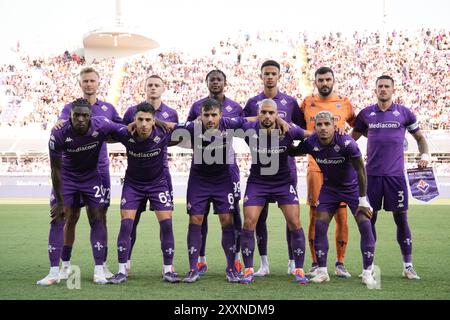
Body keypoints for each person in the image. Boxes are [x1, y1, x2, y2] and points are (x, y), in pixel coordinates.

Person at [37, 98, 123, 286]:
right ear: (70, 116)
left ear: (91, 116)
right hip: (66, 179)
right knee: (58, 218)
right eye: (77, 115)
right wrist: (59, 202)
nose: (81, 119)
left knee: (97, 218)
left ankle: (99, 270)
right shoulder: (58, 133)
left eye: (85, 115)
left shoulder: (102, 124)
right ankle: (54, 272)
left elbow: (125, 131)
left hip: (91, 178)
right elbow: (55, 170)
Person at [351, 75, 430, 280]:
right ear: (375, 90)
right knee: (369, 220)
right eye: (380, 86)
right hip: (372, 177)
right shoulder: (366, 114)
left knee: (401, 219)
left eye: (387, 86)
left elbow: (420, 138)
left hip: (396, 177)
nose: (383, 89)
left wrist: (425, 155)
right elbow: (352, 140)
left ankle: (408, 266)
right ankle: (368, 268)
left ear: (393, 90)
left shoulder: (404, 113)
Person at [52, 67, 122, 280]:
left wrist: (104, 136)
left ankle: (102, 264)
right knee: (70, 216)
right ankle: (65, 264)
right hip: (73, 170)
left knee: (101, 216)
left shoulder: (108, 108)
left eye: (92, 80)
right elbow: (62, 127)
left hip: (100, 170)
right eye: (85, 81)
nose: (89, 84)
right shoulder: (70, 108)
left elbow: (119, 131)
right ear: (80, 83)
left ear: (98, 83)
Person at [289, 111, 375, 286]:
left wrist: (363, 199)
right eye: (319, 125)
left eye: (326, 124)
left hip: (352, 189)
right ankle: (322, 271)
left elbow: (361, 170)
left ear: (334, 127)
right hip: (329, 189)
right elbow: (292, 151)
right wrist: (290, 132)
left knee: (365, 225)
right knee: (319, 226)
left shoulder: (346, 142)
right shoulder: (311, 142)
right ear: (314, 127)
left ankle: (367, 271)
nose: (323, 128)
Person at [107, 102, 179, 284]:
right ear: (134, 120)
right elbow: (103, 128)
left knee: (167, 225)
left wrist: (169, 124)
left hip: (158, 184)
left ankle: (168, 270)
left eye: (148, 120)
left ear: (154, 121)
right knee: (126, 225)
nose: (144, 124)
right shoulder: (125, 134)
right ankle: (122, 270)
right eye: (140, 120)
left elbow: (192, 127)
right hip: (133, 185)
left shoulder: (164, 132)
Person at [243, 60, 303, 277]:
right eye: (266, 73)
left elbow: (300, 130)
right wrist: (274, 117)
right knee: (258, 218)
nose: (270, 76)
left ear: (279, 76)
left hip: (286, 169)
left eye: (273, 73)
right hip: (260, 169)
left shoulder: (290, 101)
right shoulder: (252, 102)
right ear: (261, 76)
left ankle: (292, 261)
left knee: (292, 218)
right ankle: (263, 263)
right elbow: (243, 124)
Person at [239, 98, 309, 285]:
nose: (267, 116)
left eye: (271, 113)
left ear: (277, 114)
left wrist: (337, 132)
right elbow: (225, 123)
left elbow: (311, 135)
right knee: (249, 222)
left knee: (294, 222)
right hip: (258, 182)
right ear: (258, 114)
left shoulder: (288, 130)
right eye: (264, 112)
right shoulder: (248, 129)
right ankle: (248, 269)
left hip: (283, 182)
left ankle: (299, 269)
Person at [180, 98, 248, 283]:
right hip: (199, 179)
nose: (210, 119)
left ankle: (231, 268)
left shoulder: (230, 124)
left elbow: (252, 120)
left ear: (220, 115)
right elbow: (171, 128)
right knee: (196, 219)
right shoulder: (192, 127)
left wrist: (281, 121)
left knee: (227, 220)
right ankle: (193, 268)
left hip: (222, 179)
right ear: (200, 115)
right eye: (206, 115)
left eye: (214, 115)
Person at [299, 67, 356, 278]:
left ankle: (340, 263)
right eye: (320, 80)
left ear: (333, 80)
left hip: (340, 168)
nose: (324, 83)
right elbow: (296, 129)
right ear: (315, 81)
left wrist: (348, 144)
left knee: (342, 215)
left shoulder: (345, 103)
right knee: (315, 215)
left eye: (328, 79)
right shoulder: (306, 103)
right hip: (315, 166)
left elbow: (356, 127)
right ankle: (316, 262)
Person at [122, 75, 179, 273]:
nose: (153, 88)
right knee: (132, 220)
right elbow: (124, 132)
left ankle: (168, 265)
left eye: (157, 85)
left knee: (166, 220)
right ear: (144, 88)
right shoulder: (131, 111)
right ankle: (125, 263)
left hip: (161, 172)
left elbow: (175, 137)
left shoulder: (171, 113)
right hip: (136, 172)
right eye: (150, 85)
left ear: (163, 88)